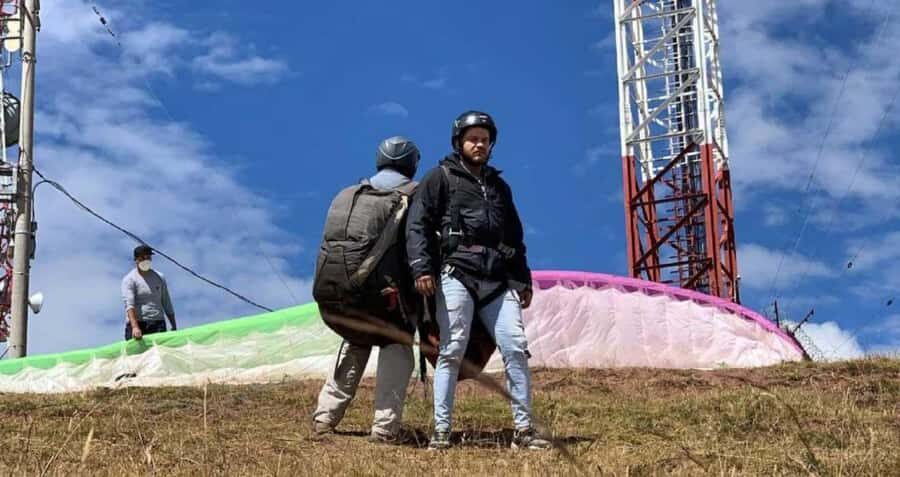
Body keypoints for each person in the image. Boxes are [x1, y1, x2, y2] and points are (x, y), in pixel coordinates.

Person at [406, 111, 551, 450]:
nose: (479, 144)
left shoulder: (500, 187)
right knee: (452, 349)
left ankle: (524, 431)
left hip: (498, 279)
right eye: (472, 139)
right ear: (459, 142)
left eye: (485, 140)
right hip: (456, 273)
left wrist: (523, 279)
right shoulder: (439, 178)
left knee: (515, 348)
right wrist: (421, 268)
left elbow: (515, 237)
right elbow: (418, 225)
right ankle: (441, 433)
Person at [311, 136, 421, 444]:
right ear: (412, 164)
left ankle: (325, 416)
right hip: (383, 296)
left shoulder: (347, 194)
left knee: (356, 341)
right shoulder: (411, 195)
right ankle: (384, 428)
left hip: (336, 291)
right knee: (396, 345)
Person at [121, 244, 176, 340]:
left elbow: (166, 301)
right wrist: (135, 327)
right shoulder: (129, 279)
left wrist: (173, 325)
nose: (146, 260)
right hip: (138, 323)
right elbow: (129, 305)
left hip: (158, 323)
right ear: (136, 260)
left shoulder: (159, 277)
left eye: (148, 257)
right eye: (143, 257)